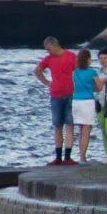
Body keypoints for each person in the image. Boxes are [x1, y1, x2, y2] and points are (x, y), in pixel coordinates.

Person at [34, 36, 79, 164]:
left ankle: (68, 156)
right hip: (56, 94)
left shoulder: (71, 56)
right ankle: (58, 157)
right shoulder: (49, 59)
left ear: (55, 45)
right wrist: (46, 82)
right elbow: (37, 71)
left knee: (70, 124)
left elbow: (79, 71)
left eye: (48, 49)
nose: (48, 51)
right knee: (57, 125)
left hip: (71, 94)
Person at [70, 48, 99, 164]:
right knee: (86, 131)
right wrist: (92, 88)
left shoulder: (74, 72)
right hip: (87, 102)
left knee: (81, 129)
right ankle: (82, 157)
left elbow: (72, 86)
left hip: (76, 101)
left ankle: (80, 155)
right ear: (88, 60)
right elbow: (100, 87)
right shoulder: (92, 72)